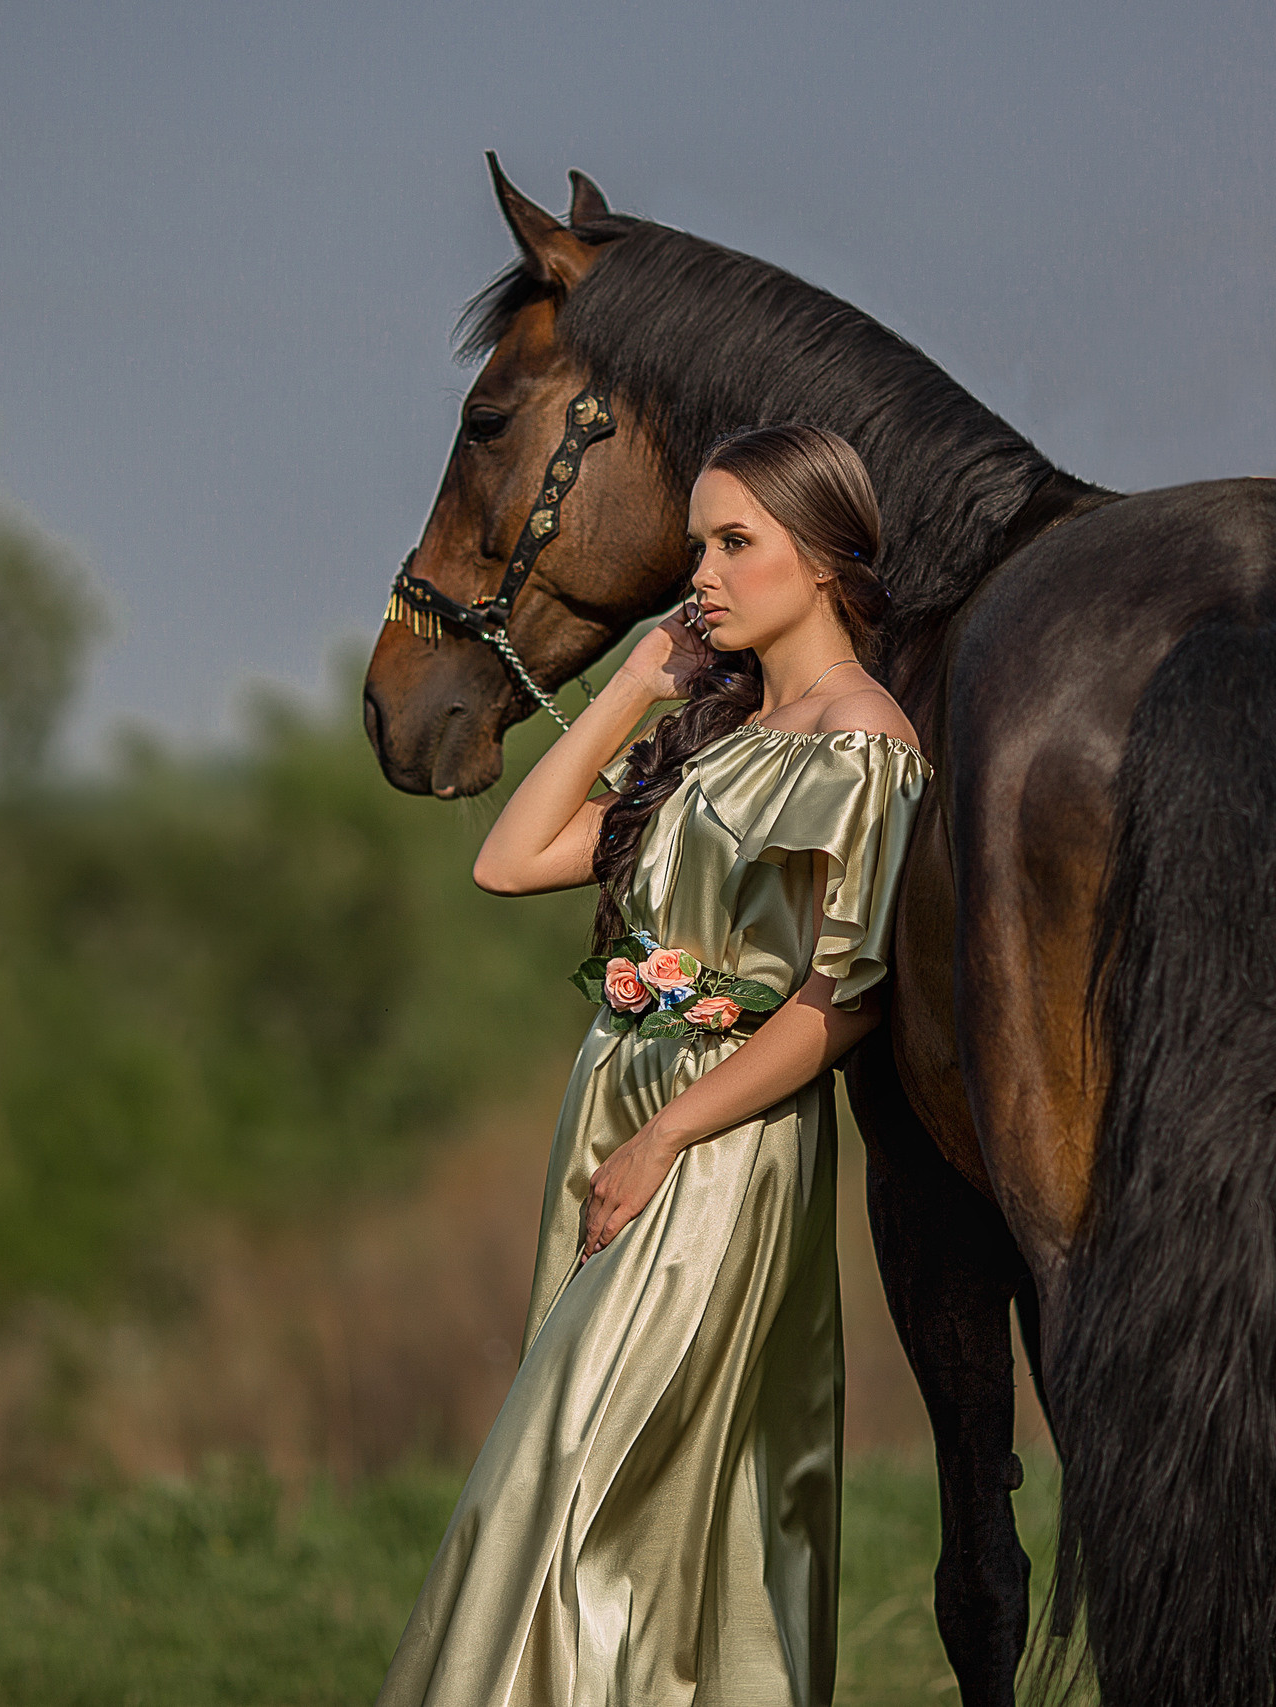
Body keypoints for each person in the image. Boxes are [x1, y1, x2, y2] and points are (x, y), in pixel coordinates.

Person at [377, 424, 930, 1707]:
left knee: (577, 1468)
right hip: (619, 1118)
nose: (707, 575)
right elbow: (506, 858)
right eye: (698, 547)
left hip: (719, 1151)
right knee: (589, 1479)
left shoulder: (864, 745)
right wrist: (636, 684)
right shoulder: (719, 736)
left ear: (830, 557)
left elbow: (836, 1004)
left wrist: (666, 1136)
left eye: (738, 544)